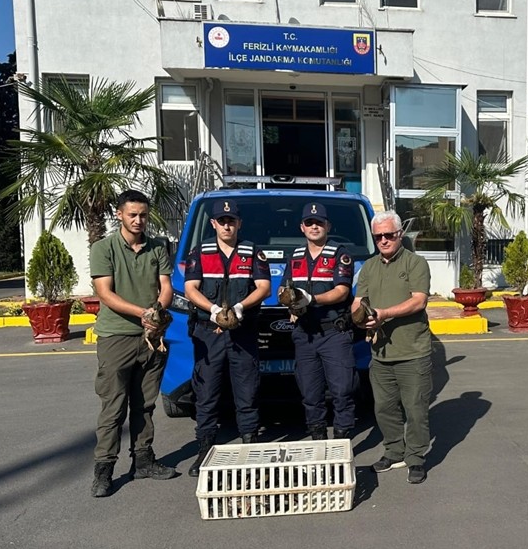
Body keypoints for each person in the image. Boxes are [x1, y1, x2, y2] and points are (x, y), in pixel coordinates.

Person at [88, 189, 178, 498]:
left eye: (143, 215)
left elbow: (165, 286)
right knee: (113, 407)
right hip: (116, 337)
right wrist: (142, 313)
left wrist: (157, 311)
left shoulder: (157, 248)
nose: (139, 220)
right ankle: (104, 470)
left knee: (145, 404)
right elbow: (105, 292)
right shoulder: (104, 248)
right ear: (119, 215)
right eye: (132, 215)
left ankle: (143, 460)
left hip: (151, 338)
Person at [183, 199, 272, 478]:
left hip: (242, 331)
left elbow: (265, 287)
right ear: (213, 224)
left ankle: (250, 445)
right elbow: (190, 288)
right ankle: (205, 449)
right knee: (206, 393)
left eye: (231, 220)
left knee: (247, 391)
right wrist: (210, 310)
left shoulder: (252, 251)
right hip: (208, 333)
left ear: (239, 223)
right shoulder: (200, 251)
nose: (226, 225)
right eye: (221, 220)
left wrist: (240, 307)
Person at [352, 211, 433, 485]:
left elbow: (418, 301)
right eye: (379, 236)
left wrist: (384, 313)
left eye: (389, 235)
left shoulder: (416, 263)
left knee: (416, 409)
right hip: (381, 352)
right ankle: (394, 451)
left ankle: (416, 458)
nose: (384, 240)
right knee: (384, 408)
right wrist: (360, 316)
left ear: (399, 235)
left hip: (413, 351)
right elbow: (358, 300)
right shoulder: (369, 267)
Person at [288, 202, 358, 441]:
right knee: (310, 394)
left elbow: (341, 291)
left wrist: (311, 299)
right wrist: (289, 303)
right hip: (305, 334)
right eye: (309, 223)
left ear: (327, 225)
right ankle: (318, 442)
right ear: (302, 227)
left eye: (319, 223)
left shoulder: (341, 254)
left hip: (333, 333)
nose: (314, 226)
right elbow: (285, 290)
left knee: (342, 391)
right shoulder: (295, 256)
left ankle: (342, 441)